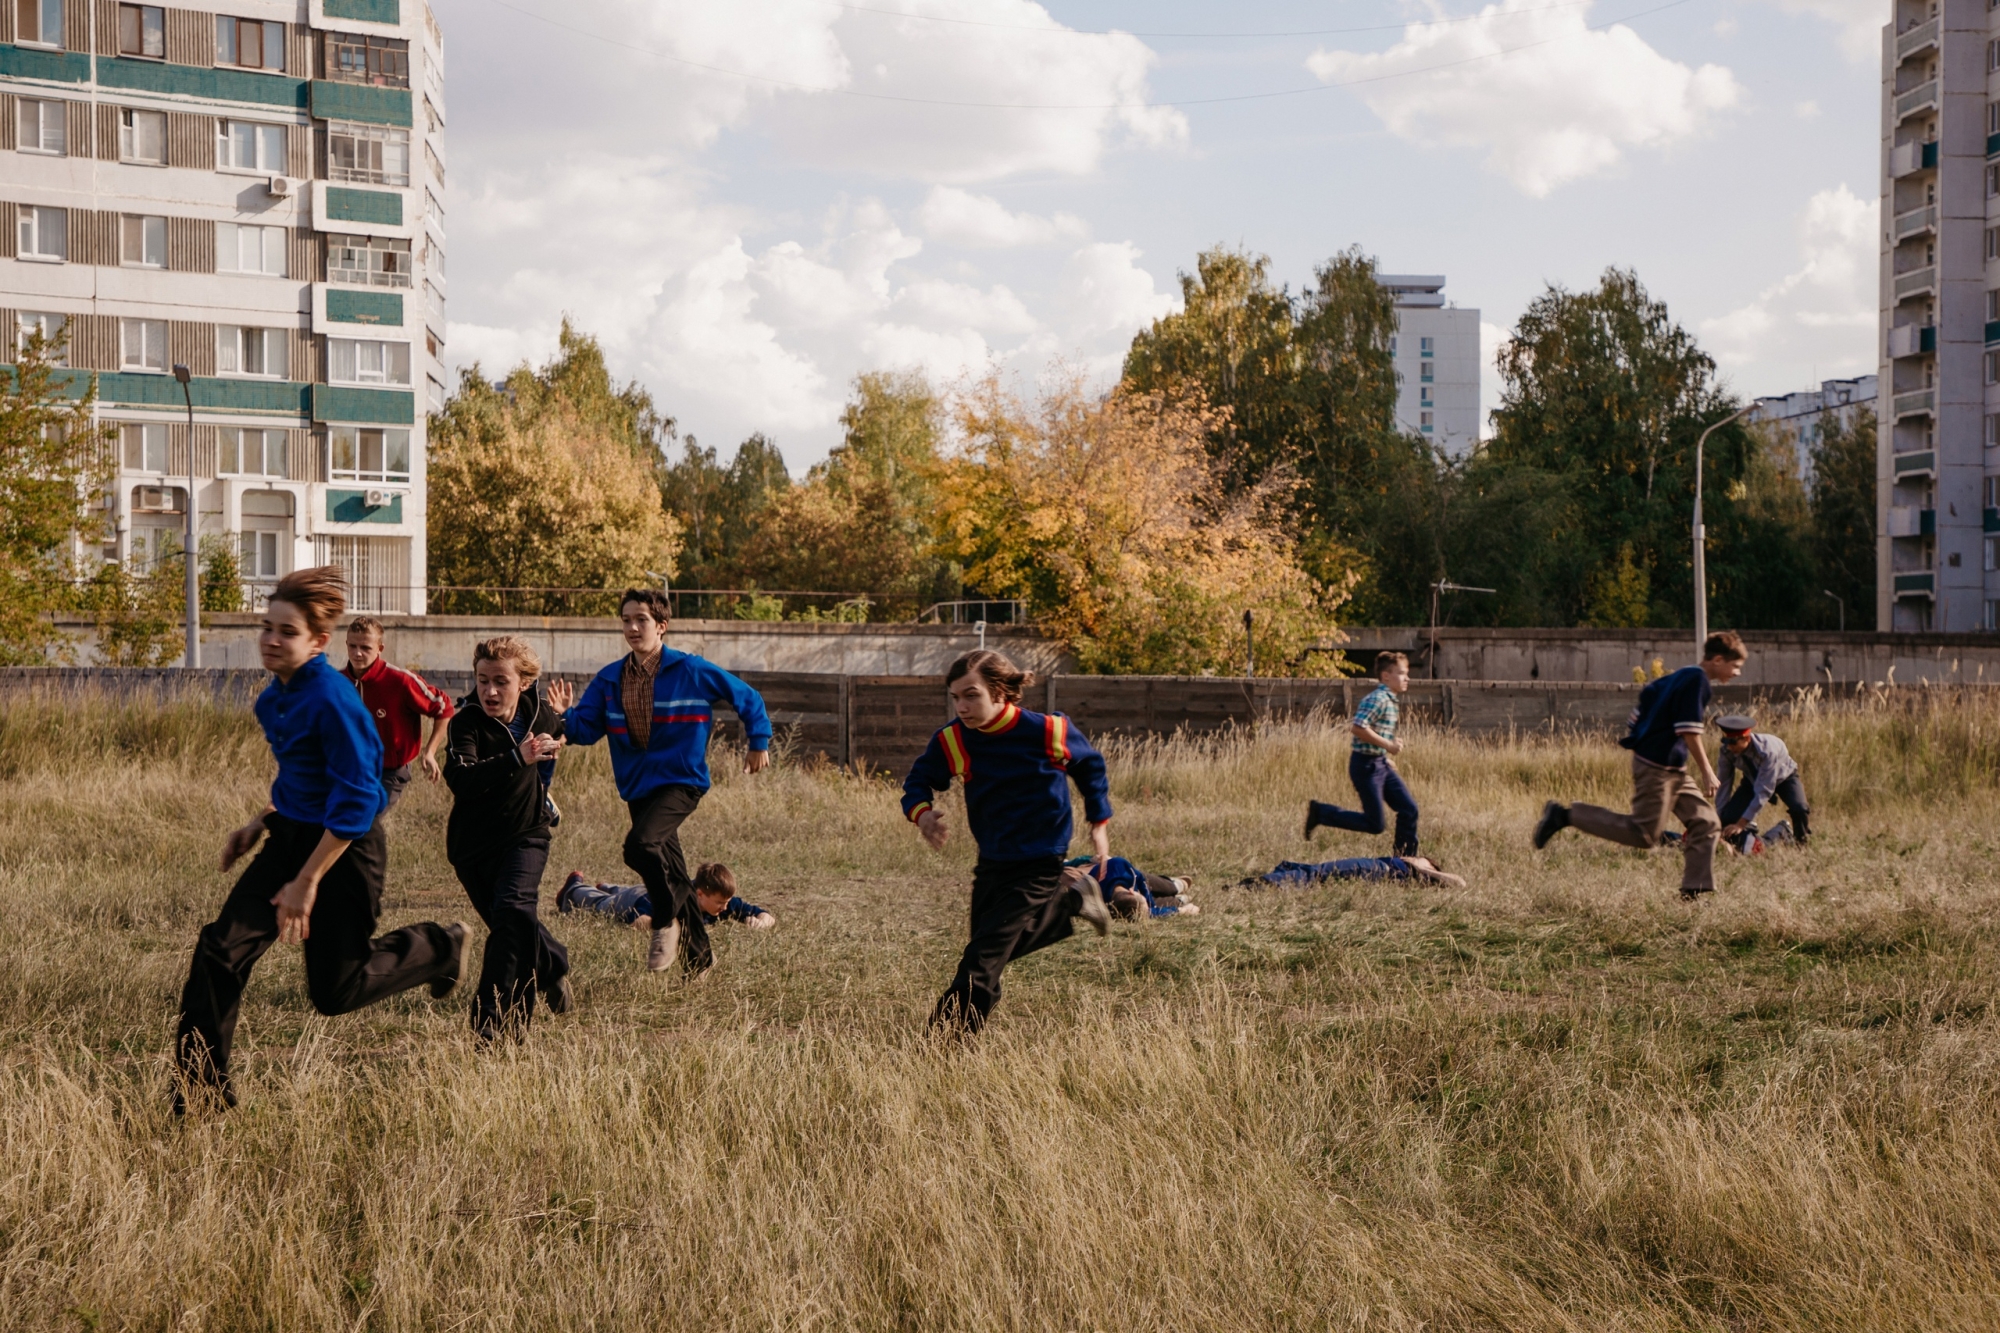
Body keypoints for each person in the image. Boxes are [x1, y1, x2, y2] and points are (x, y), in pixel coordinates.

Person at [173, 566, 466, 1115]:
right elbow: (299, 780)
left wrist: (309, 880)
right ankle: (200, 1094)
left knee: (336, 991)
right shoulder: (274, 699)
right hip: (289, 838)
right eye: (267, 627)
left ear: (317, 643)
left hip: (346, 848)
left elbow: (357, 802)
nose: (271, 639)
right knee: (219, 950)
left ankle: (440, 947)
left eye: (287, 631)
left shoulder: (334, 701)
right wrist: (259, 823)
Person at [561, 588, 772, 976]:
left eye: (641, 619)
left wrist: (758, 742)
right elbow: (586, 729)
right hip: (638, 786)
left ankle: (664, 921)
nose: (632, 627)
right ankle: (700, 958)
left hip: (681, 781)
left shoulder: (690, 669)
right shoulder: (610, 679)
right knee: (673, 871)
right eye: (626, 620)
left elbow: (747, 696)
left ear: (661, 625)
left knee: (639, 847)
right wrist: (563, 719)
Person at [903, 649, 1114, 1034]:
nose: (962, 706)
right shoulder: (953, 739)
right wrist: (923, 814)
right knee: (989, 949)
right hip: (993, 859)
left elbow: (1090, 765)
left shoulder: (1047, 730)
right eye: (955, 697)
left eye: (971, 695)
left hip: (1041, 860)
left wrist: (1098, 818)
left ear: (1000, 692)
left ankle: (941, 1047)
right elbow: (919, 779)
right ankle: (1071, 902)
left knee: (980, 961)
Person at [1531, 631, 1748, 900]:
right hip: (1657, 769)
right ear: (1717, 660)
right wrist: (1706, 771)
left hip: (1672, 768)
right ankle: (1565, 815)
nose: (1737, 673)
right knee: (1644, 834)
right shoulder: (1697, 681)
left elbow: (1645, 699)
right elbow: (1690, 731)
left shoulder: (1681, 675)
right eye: (1735, 666)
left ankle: (1693, 892)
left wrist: (1641, 736)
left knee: (1706, 822)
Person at [442, 636, 576, 1042]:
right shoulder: (465, 723)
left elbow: (558, 732)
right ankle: (552, 964)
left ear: (524, 683)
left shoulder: (540, 714)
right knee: (512, 923)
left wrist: (562, 725)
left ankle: (495, 1025)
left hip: (527, 835)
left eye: (501, 681)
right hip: (474, 849)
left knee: (513, 917)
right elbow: (462, 780)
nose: (490, 691)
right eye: (483, 681)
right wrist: (518, 756)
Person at [1304, 651, 1420, 857]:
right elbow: (1357, 727)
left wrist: (1384, 757)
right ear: (1386, 676)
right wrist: (1388, 745)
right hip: (1365, 767)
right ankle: (1321, 812)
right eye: (1402, 673)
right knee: (1375, 824)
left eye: (1406, 673)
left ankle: (1405, 860)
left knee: (1409, 809)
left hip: (1379, 764)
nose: (1407, 678)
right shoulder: (1378, 699)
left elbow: (1372, 732)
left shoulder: (1390, 700)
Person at [341, 615, 454, 811]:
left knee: (364, 821)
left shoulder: (401, 681)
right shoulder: (339, 682)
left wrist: (430, 751)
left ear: (379, 649)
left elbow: (443, 708)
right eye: (352, 646)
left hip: (391, 771)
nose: (357, 653)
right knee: (334, 821)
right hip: (352, 769)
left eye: (365, 648)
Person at [556, 863, 776, 947]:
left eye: (727, 902)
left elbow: (767, 915)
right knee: (603, 905)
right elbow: (639, 922)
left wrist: (761, 923)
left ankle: (609, 885)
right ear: (700, 894)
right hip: (636, 899)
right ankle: (574, 887)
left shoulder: (723, 901)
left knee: (622, 889)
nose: (726, 908)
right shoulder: (671, 900)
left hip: (645, 889)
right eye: (721, 903)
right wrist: (672, 928)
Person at [1714, 714, 1811, 850]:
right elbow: (1724, 784)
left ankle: (1800, 844)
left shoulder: (1767, 751)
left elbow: (1764, 790)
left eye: (1732, 742)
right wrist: (1719, 819)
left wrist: (1741, 823)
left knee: (1799, 808)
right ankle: (1756, 837)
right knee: (1727, 818)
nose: (1729, 747)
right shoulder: (1726, 752)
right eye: (1725, 741)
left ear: (1746, 738)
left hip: (1784, 778)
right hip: (1752, 780)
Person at [1063, 855, 1199, 918]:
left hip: (1119, 874)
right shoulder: (1102, 902)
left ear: (1131, 892)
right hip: (1120, 888)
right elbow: (1147, 910)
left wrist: (1180, 911)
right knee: (1144, 904)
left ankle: (1173, 887)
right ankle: (1178, 899)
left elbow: (1143, 886)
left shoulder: (1120, 867)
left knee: (1146, 883)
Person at [1237, 856, 1466, 890]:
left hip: (1375, 869)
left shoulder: (1423, 867)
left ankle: (1261, 883)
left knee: (1315, 874)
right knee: (1316, 871)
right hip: (1373, 866)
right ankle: (1275, 877)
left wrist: (1422, 867)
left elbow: (1460, 884)